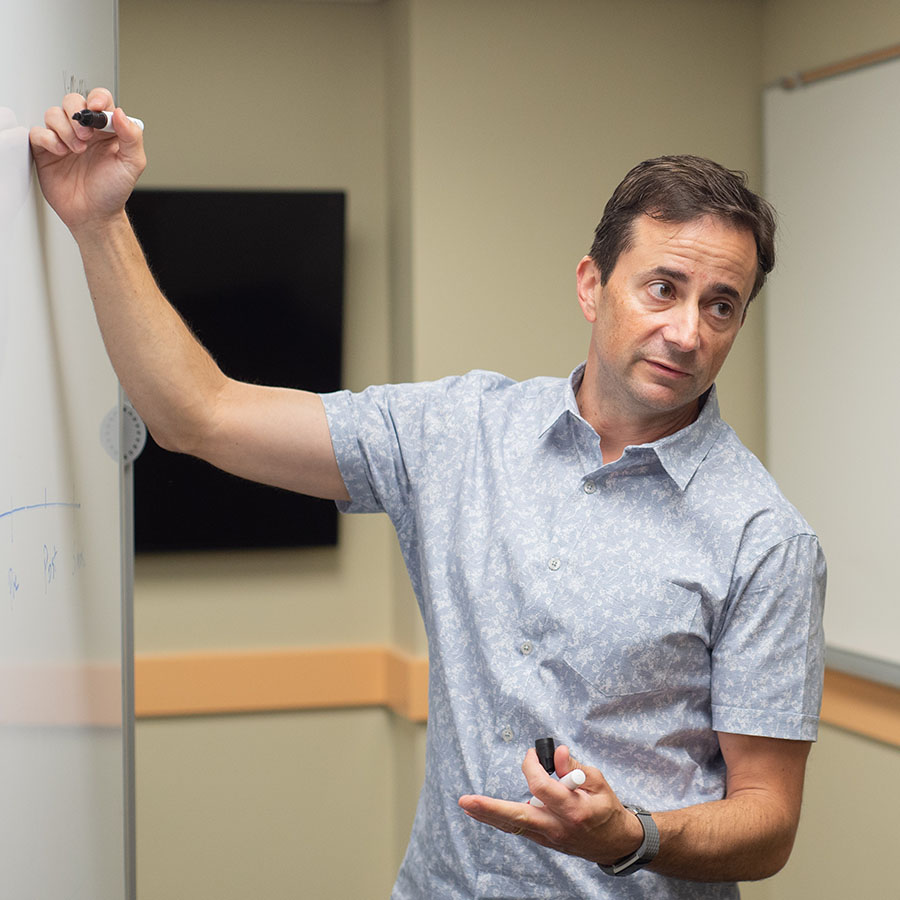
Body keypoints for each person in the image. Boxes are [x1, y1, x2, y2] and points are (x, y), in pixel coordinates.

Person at [31, 89, 825, 899]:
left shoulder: (762, 536)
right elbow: (199, 415)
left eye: (720, 306)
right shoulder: (460, 433)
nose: (689, 331)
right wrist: (100, 222)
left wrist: (633, 835)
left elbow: (768, 821)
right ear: (592, 286)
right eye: (664, 288)